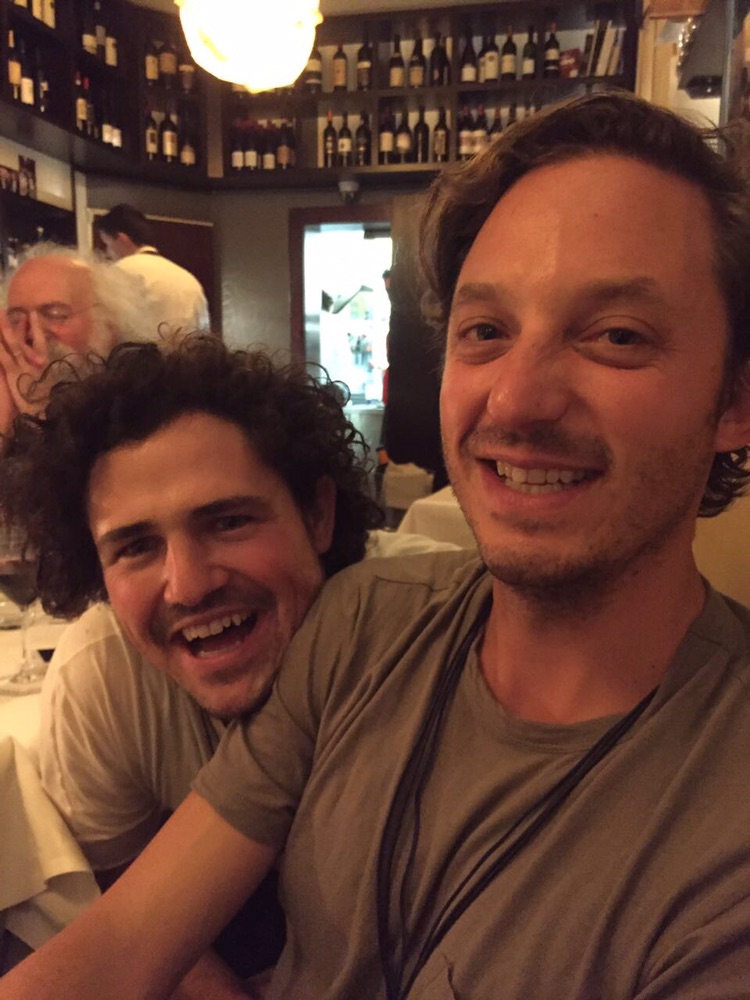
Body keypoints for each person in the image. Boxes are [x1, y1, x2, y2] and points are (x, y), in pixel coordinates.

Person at [3, 89, 750, 998]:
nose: (516, 400)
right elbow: (121, 947)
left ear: (735, 399)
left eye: (617, 336)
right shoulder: (362, 626)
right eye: (485, 332)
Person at [0, 332, 389, 996]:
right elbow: (130, 908)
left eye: (229, 522)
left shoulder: (414, 634)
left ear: (318, 514)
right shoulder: (103, 674)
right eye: (136, 547)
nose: (187, 586)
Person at [0, 244, 152, 436]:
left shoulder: (145, 407)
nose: (31, 334)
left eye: (55, 315)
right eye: (16, 319)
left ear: (109, 325)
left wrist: (43, 417)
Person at [93, 203, 209, 332]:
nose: (107, 252)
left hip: (138, 344)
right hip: (187, 344)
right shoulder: (188, 279)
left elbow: (105, 329)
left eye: (107, 244)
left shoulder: (119, 273)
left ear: (122, 239)